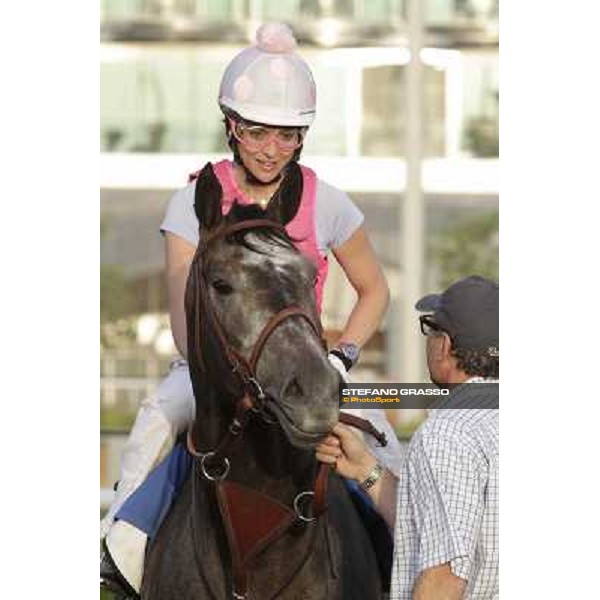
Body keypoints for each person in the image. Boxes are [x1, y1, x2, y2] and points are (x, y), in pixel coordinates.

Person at [100, 22, 403, 596]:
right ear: (232, 127)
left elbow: (375, 291)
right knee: (154, 423)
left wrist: (339, 359)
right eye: (259, 132)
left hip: (307, 370)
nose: (272, 148)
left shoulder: (328, 202)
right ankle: (121, 550)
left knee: (383, 436)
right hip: (214, 370)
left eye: (288, 135)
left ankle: (399, 554)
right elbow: (184, 321)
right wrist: (228, 379)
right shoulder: (192, 201)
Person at [317, 275, 499, 599]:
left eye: (430, 328)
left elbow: (444, 576)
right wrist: (364, 469)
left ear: (444, 346)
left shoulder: (448, 433)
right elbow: (438, 526)